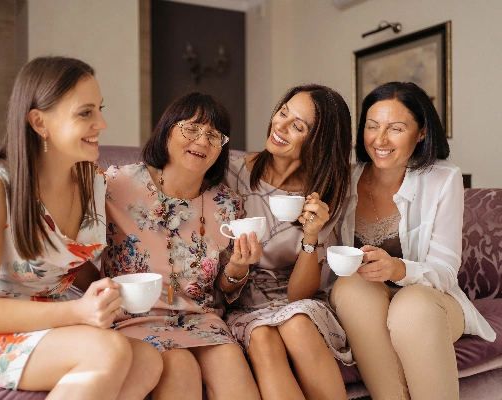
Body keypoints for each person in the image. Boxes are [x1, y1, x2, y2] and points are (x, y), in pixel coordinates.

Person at [0, 56, 162, 399]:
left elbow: (69, 261)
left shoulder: (92, 181)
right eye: (86, 112)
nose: (103, 123)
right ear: (39, 122)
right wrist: (78, 311)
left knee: (148, 361)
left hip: (51, 323)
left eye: (99, 109)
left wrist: (109, 291)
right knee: (108, 350)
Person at [329, 81, 496, 400]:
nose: (379, 139)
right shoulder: (345, 177)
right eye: (372, 126)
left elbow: (445, 271)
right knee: (349, 287)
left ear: (421, 132)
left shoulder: (443, 177)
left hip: (433, 301)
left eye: (395, 128)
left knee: (411, 306)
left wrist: (396, 269)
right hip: (366, 302)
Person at [103, 92, 261, 400]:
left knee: (230, 362)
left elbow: (224, 290)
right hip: (134, 317)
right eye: (191, 128)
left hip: (201, 317)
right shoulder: (116, 185)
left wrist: (239, 268)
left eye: (214, 135)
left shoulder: (227, 205)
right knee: (179, 365)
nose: (202, 140)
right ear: (166, 131)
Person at [223, 84, 353, 400]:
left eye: (297, 126)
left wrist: (311, 236)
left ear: (317, 144)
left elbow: (299, 295)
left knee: (297, 323)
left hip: (297, 301)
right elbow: (222, 282)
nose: (279, 126)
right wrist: (239, 266)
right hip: (241, 299)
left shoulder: (327, 194)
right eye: (283, 113)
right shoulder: (230, 173)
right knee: (264, 340)